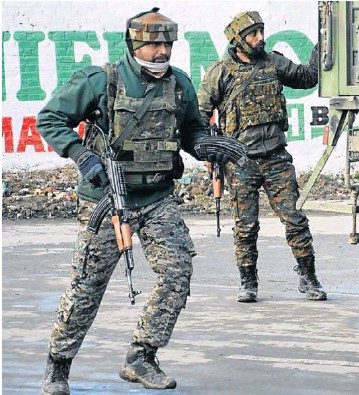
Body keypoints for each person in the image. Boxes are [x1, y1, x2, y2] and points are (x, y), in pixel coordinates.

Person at [37, 8, 211, 393]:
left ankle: (141, 356)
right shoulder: (101, 80)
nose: (162, 50)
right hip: (107, 199)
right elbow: (50, 118)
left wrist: (205, 145)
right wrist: (82, 155)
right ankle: (58, 364)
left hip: (158, 198)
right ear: (135, 44)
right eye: (154, 44)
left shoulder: (179, 84)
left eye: (167, 43)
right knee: (88, 286)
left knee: (177, 273)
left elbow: (191, 130)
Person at [198, 11, 326, 303]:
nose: (260, 39)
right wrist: (208, 152)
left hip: (276, 158)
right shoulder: (221, 72)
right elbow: (200, 114)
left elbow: (307, 77)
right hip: (240, 162)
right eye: (253, 35)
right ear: (238, 40)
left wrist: (323, 44)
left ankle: (309, 278)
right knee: (245, 225)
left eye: (261, 32)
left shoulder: (273, 61)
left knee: (295, 219)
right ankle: (248, 281)